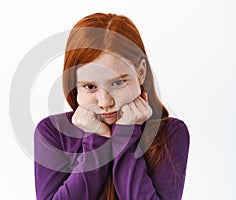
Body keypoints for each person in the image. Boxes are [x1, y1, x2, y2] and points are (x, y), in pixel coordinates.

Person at [34, 12, 190, 200]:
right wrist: (96, 140)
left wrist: (125, 134)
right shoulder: (52, 132)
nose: (105, 103)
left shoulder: (170, 133)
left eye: (117, 83)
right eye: (90, 87)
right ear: (74, 84)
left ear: (140, 72)